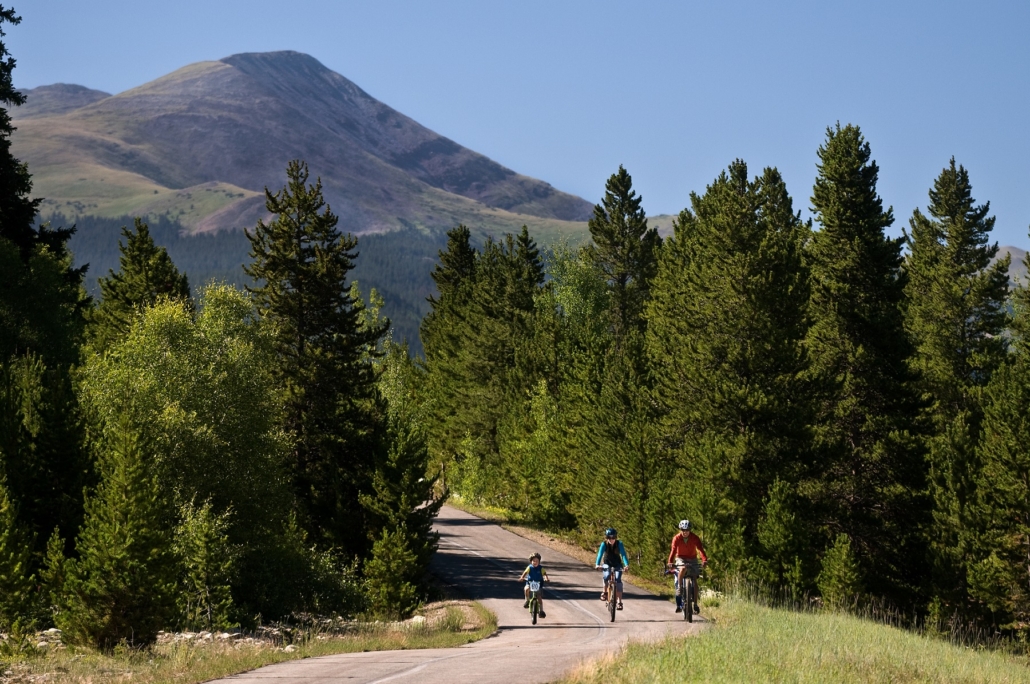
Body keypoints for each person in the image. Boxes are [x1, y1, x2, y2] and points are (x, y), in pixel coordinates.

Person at [667, 519, 707, 614]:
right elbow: (673, 551)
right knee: (683, 568)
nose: (685, 532)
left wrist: (704, 560)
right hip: (680, 557)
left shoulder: (695, 538)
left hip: (692, 558)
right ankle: (680, 587)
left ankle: (695, 604)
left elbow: (700, 549)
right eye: (683, 530)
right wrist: (670, 562)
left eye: (687, 530)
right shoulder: (676, 538)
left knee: (694, 579)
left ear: (690, 530)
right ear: (680, 530)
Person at [594, 527, 629, 610]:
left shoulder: (619, 544)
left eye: (613, 537)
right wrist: (597, 564)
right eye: (609, 537)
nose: (611, 539)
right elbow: (600, 554)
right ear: (606, 538)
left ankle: (619, 602)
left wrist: (626, 565)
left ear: (616, 537)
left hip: (617, 564)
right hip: (607, 564)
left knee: (618, 580)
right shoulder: (604, 544)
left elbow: (623, 554)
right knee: (607, 575)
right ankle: (604, 592)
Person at [519, 552, 549, 618]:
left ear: (539, 562)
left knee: (539, 597)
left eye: (537, 561)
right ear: (531, 561)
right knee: (526, 589)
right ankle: (527, 601)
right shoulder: (529, 567)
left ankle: (541, 611)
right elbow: (525, 572)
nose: (535, 562)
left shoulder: (541, 568)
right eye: (533, 561)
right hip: (530, 582)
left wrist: (546, 578)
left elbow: (544, 574)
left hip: (539, 584)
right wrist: (522, 577)